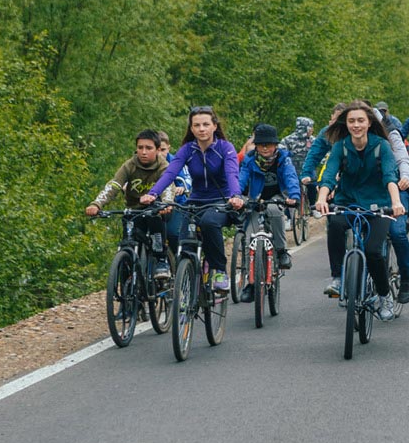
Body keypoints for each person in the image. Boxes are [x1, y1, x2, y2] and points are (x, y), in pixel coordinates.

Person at [316, 102, 406, 318]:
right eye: (351, 121)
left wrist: (395, 202)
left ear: (369, 123)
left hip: (378, 205)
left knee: (374, 251)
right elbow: (329, 174)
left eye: (360, 121)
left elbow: (389, 176)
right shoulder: (341, 146)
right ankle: (338, 278)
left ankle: (385, 297)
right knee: (335, 225)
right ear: (345, 124)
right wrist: (321, 198)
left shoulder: (381, 145)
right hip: (347, 202)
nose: (356, 125)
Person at [139, 107, 244, 293]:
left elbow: (232, 174)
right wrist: (153, 193)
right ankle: (187, 280)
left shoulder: (225, 148)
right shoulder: (187, 149)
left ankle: (220, 271)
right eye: (197, 125)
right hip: (195, 201)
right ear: (191, 128)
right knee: (184, 241)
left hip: (222, 201)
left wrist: (235, 196)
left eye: (206, 124)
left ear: (214, 126)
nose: (201, 129)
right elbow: (170, 172)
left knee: (209, 223)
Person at [85, 129, 175, 280]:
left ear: (158, 150)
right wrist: (97, 204)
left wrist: (166, 204)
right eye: (140, 148)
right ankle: (127, 280)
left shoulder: (164, 167)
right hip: (134, 210)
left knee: (155, 224)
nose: (143, 152)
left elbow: (168, 187)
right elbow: (114, 185)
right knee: (128, 240)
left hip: (157, 210)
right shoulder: (129, 166)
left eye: (148, 148)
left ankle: (161, 260)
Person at [237, 124, 300, 302]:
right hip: (255, 199)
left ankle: (280, 251)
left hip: (277, 196)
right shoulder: (249, 160)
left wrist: (293, 196)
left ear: (275, 145)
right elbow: (241, 180)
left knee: (273, 211)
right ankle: (251, 283)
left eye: (269, 144)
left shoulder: (283, 159)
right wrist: (237, 196)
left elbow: (290, 177)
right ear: (256, 145)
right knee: (250, 240)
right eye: (261, 144)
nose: (265, 148)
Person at [377, 107, 409, 303]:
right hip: (371, 191)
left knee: (397, 232)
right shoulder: (354, 140)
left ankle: (405, 276)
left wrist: (406, 178)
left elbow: (402, 159)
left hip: (397, 187)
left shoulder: (392, 135)